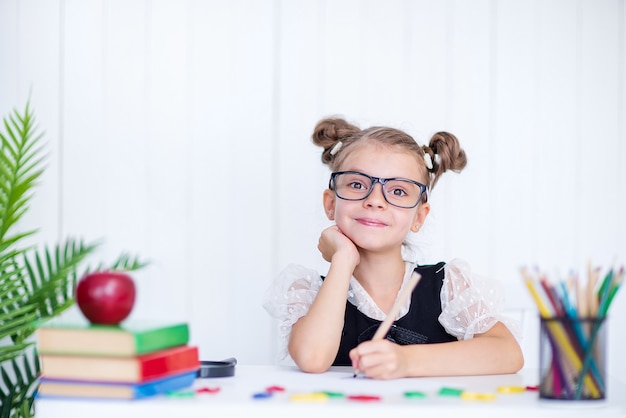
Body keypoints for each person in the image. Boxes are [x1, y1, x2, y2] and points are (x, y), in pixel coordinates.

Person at [263, 117, 524, 379]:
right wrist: (343, 259)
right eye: (357, 185)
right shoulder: (307, 292)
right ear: (330, 204)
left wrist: (405, 360)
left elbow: (508, 353)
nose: (375, 200)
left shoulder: (446, 285)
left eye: (398, 191)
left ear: (419, 217)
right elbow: (312, 358)